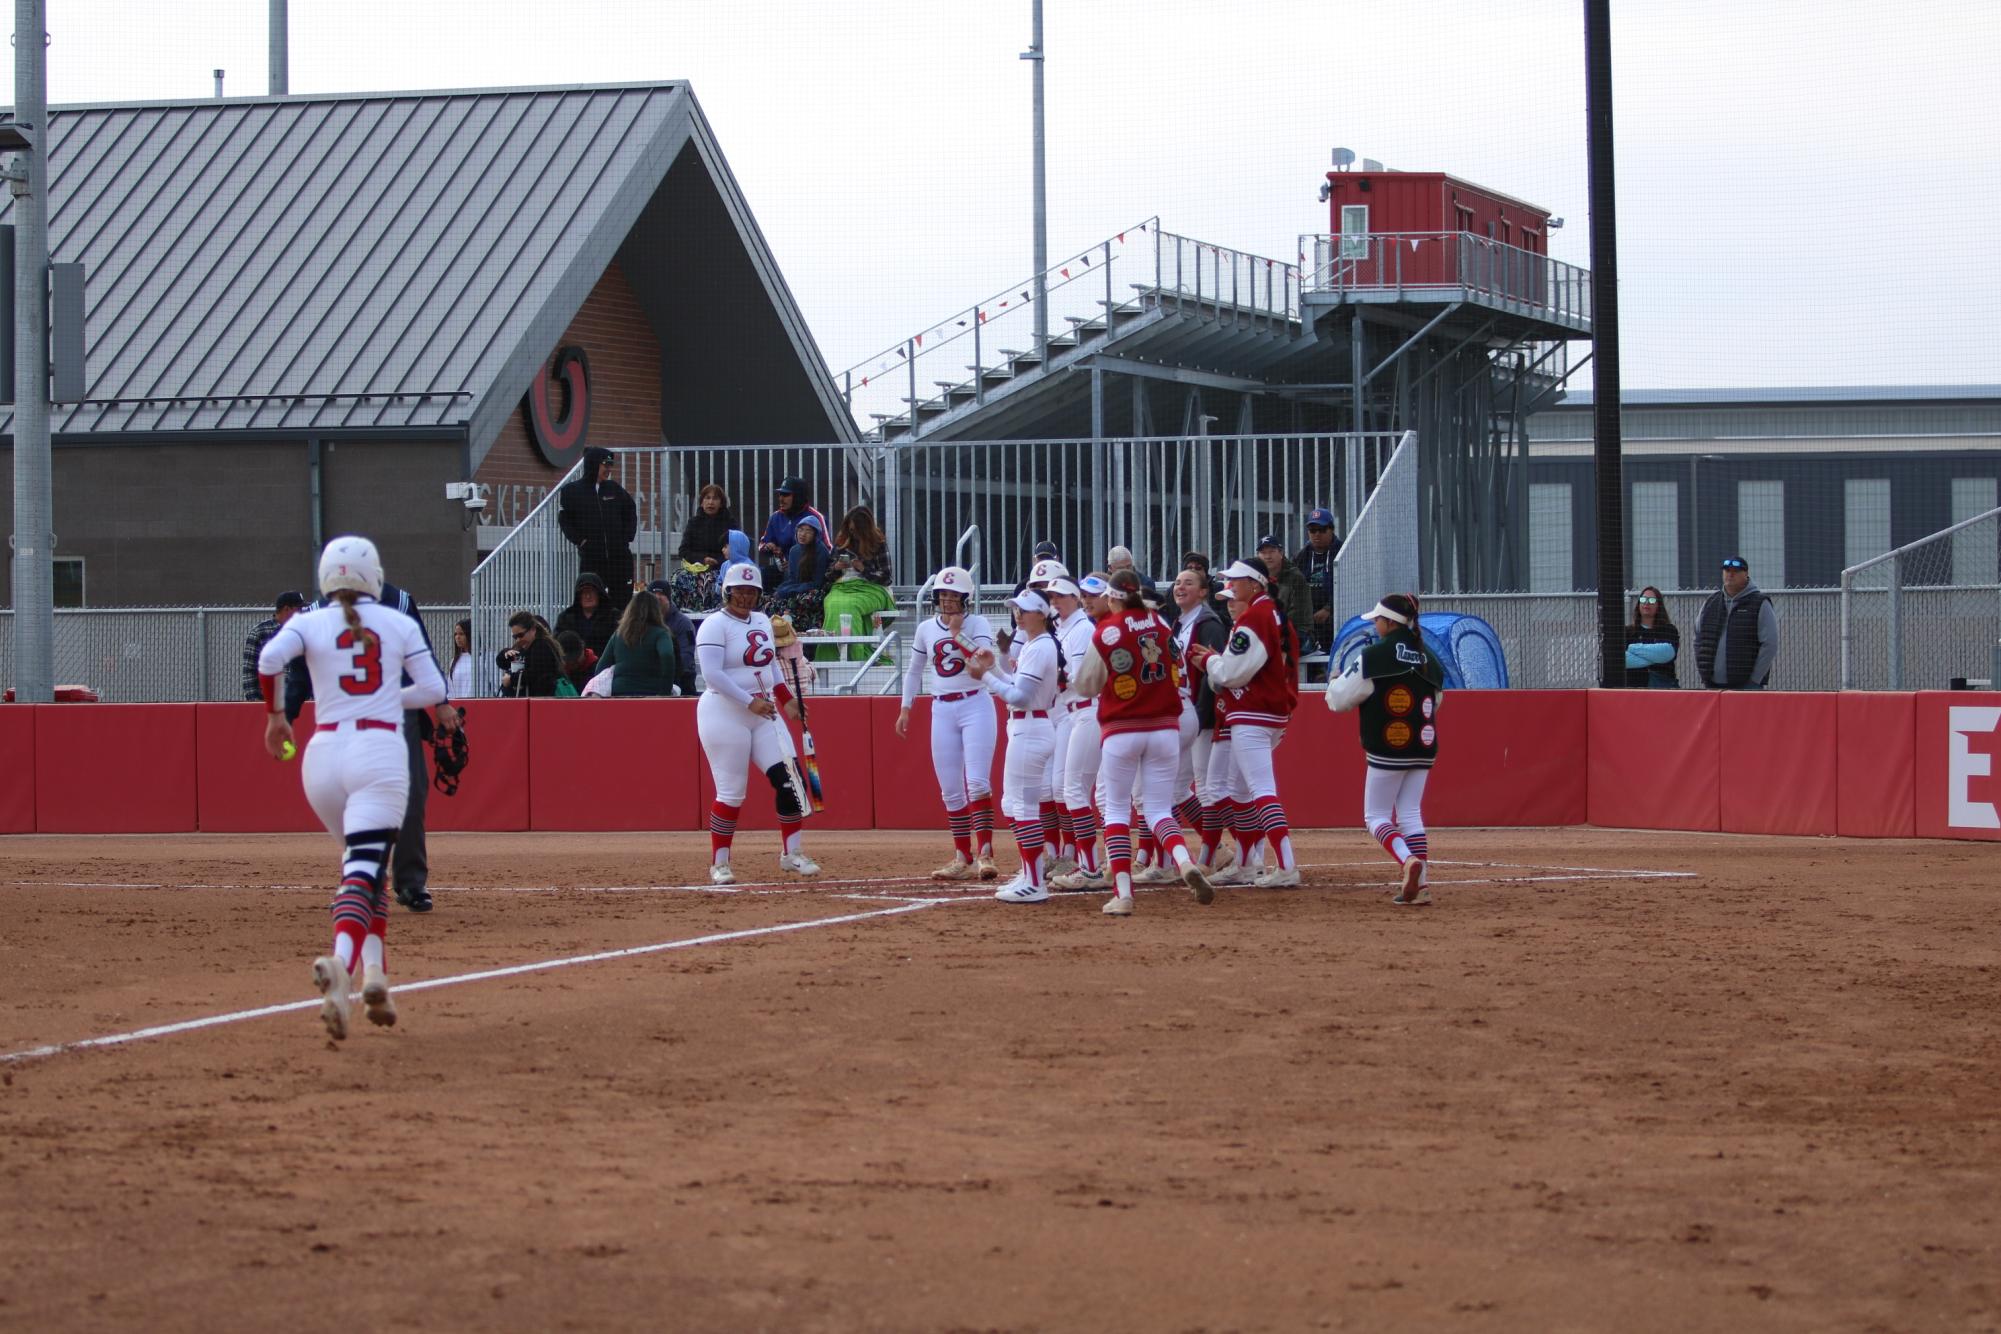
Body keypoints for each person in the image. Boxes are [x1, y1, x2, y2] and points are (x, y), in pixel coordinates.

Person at [255, 536, 448, 1041]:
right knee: (364, 871)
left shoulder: (307, 620)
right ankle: (341, 965)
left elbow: (269, 660)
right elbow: (432, 691)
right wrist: (389, 695)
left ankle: (377, 978)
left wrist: (276, 718)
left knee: (365, 869)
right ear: (373, 576)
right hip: (377, 754)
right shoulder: (399, 621)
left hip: (321, 757)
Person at [284, 577, 459, 914]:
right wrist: (286, 715)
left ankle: (410, 882)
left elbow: (421, 653)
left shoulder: (398, 601)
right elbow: (299, 672)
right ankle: (361, 880)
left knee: (409, 793)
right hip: (342, 712)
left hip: (397, 708)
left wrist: (440, 702)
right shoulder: (319, 610)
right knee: (349, 795)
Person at [1066, 569, 1213, 916]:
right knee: (1160, 808)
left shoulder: (1106, 631)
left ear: (1114, 597)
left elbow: (1085, 685)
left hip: (1122, 727)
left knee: (1117, 810)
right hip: (1165, 726)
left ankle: (1123, 893)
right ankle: (1183, 860)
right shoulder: (1160, 623)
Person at [696, 564, 819, 884]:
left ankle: (792, 854)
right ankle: (719, 863)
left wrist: (787, 697)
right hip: (724, 711)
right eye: (740, 591)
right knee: (731, 793)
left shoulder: (763, 621)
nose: (745, 597)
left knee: (791, 780)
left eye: (751, 592)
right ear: (727, 591)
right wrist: (748, 701)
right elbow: (713, 675)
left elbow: (771, 668)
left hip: (765, 712)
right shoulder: (713, 625)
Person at [1183, 560, 1302, 888]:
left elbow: (1232, 673)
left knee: (1259, 789)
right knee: (1226, 787)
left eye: (1236, 583)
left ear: (1255, 584)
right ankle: (1248, 861)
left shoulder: (1256, 617)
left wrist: (1209, 661)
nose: (1231, 589)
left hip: (1253, 711)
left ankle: (1285, 863)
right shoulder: (1269, 615)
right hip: (1256, 712)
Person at [1325, 593, 1445, 906]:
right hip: (1423, 744)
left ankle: (1408, 861)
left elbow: (1338, 701)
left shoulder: (1373, 655)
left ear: (1390, 622)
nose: (1375, 624)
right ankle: (1423, 885)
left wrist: (1334, 681)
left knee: (1376, 816)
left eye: (1378, 619)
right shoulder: (1430, 658)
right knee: (1410, 813)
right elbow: (1438, 702)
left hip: (1387, 746)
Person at [897, 566, 1001, 880]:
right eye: (943, 594)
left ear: (965, 598)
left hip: (975, 703)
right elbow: (914, 670)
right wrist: (905, 708)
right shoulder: (926, 629)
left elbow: (982, 659)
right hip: (941, 708)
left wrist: (958, 633)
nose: (947, 600)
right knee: (951, 790)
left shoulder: (978, 622)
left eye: (953, 595)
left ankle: (985, 853)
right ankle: (961, 855)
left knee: (978, 783)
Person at [969, 589, 1062, 903]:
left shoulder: (1040, 646)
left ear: (1040, 613)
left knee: (1023, 807)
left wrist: (985, 677)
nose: (1017, 615)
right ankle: (1029, 872)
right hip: (1027, 725)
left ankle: (1035, 881)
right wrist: (994, 669)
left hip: (1031, 725)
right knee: (1013, 805)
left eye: (1023, 610)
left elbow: (1020, 696)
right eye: (1016, 609)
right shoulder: (1037, 644)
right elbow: (1016, 687)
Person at [1167, 566, 1231, 875]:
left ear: (1203, 592)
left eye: (1189, 583)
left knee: (1207, 787)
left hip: (1202, 717)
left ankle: (1211, 855)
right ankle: (1217, 848)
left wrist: (1205, 717)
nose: (1180, 587)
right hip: (1185, 715)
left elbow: (1215, 675)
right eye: (1178, 582)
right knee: (1179, 787)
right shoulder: (1180, 623)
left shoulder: (1208, 624)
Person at [557, 447, 638, 607]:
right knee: (591, 603)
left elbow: (630, 510)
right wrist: (581, 541)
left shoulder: (614, 489)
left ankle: (621, 632)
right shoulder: (572, 491)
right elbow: (565, 519)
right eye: (605, 465)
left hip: (619, 559)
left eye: (610, 465)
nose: (608, 469)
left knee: (622, 605)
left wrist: (626, 538)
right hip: (591, 560)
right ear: (593, 464)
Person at [821, 506, 896, 661]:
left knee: (851, 606)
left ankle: (855, 654)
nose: (853, 534)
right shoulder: (842, 542)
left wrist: (863, 569)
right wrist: (836, 568)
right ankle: (832, 655)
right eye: (850, 530)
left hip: (872, 588)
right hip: (843, 586)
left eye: (855, 531)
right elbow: (828, 575)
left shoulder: (878, 543)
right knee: (832, 602)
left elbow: (886, 577)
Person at [1696, 556, 1778, 690]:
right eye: (1727, 570)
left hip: (1746, 686)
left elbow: (1770, 644)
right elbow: (1698, 639)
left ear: (1746, 574)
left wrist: (1755, 680)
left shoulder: (1759, 603)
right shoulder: (1711, 602)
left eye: (1736, 571)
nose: (1730, 574)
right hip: (1712, 685)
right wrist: (1704, 671)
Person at [595, 587, 679, 696]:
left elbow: (600, 667)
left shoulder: (619, 634)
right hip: (651, 692)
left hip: (620, 692)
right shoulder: (661, 633)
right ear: (656, 610)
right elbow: (667, 655)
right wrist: (665, 692)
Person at [670, 484, 737, 611]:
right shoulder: (693, 523)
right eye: (707, 498)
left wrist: (717, 561)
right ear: (701, 502)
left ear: (721, 503)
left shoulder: (729, 523)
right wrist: (702, 559)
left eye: (715, 499)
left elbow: (736, 550)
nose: (710, 502)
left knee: (711, 581)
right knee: (677, 578)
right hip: (696, 568)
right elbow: (683, 551)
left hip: (721, 569)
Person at [756, 476, 828, 590]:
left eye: (785, 495)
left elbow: (827, 549)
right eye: (780, 494)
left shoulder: (816, 517)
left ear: (798, 497)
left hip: (807, 573)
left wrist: (801, 562)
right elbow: (761, 545)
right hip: (781, 569)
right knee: (760, 575)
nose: (780, 499)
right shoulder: (775, 517)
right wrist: (768, 547)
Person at [1295, 507, 1341, 676]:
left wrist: (1329, 608)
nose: (1316, 534)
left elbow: (1349, 585)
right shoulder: (1302, 556)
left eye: (1322, 530)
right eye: (1312, 530)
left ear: (1331, 529)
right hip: (1309, 617)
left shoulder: (1342, 552)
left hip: (1334, 617)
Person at [771, 513, 833, 629]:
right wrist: (782, 589)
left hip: (814, 591)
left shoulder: (821, 551)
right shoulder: (794, 550)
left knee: (798, 600)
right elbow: (793, 578)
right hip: (798, 588)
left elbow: (817, 583)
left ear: (815, 534)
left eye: (808, 531)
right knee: (773, 600)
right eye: (800, 530)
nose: (803, 534)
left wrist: (790, 591)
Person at [242, 591, 306, 700]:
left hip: (300, 704)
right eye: (299, 609)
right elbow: (249, 671)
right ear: (287, 609)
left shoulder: (304, 632)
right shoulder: (260, 633)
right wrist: (254, 703)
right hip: (269, 703)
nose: (302, 613)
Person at [644, 580, 701, 697]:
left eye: (661, 597)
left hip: (681, 680)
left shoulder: (684, 623)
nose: (657, 601)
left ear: (669, 599)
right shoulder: (641, 623)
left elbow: (686, 656)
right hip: (648, 680)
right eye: (653, 599)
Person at [496, 611, 564, 697]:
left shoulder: (542, 646)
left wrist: (511, 679)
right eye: (515, 637)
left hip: (538, 702)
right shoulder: (527, 645)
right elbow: (503, 662)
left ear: (533, 630)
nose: (518, 640)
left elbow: (535, 674)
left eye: (520, 635)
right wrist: (506, 653)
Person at [1624, 587, 1681, 688]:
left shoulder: (1669, 630)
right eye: (1643, 599)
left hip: (1662, 688)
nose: (1647, 603)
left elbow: (1668, 653)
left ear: (1658, 605)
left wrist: (1632, 648)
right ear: (1639, 604)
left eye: (1651, 600)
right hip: (1633, 689)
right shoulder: (1627, 632)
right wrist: (1655, 657)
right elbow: (1623, 659)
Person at [555, 572, 620, 658]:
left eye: (592, 591)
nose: (588, 596)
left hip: (605, 667)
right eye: (584, 592)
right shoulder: (565, 618)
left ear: (599, 594)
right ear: (578, 595)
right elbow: (557, 644)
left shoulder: (613, 617)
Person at [1256, 535, 1313, 632]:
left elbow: (1298, 614)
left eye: (1272, 552)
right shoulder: (1256, 577)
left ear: (1281, 553)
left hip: (1297, 632)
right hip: (1269, 630)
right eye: (1263, 553)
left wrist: (1270, 625)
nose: (1268, 556)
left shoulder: (1295, 577)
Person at [553, 631, 594, 696]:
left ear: (583, 647)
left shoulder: (597, 668)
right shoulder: (558, 674)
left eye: (577, 657)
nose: (573, 662)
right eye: (568, 660)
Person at [447, 619, 476, 699]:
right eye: (455, 634)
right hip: (459, 707)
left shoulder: (483, 658)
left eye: (461, 634)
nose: (457, 637)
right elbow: (450, 689)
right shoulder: (454, 661)